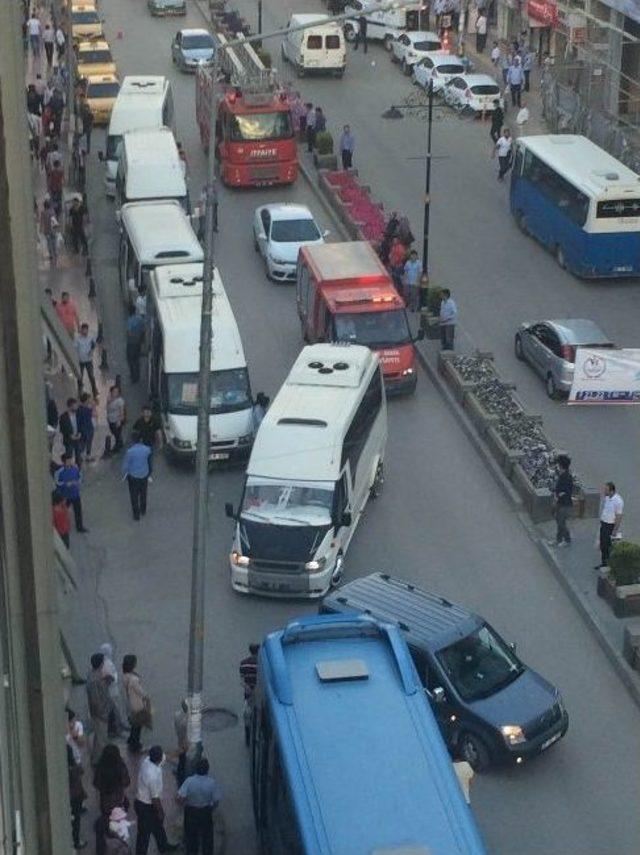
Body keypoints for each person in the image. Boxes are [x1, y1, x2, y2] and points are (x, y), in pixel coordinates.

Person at [134, 746, 179, 854]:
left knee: (158, 827)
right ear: (158, 759)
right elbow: (155, 798)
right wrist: (160, 811)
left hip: (144, 803)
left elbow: (166, 756)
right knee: (144, 833)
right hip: (146, 805)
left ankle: (163, 846)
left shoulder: (148, 760)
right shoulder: (151, 775)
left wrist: (180, 751)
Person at [176, 757, 221, 855]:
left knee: (191, 838)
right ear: (207, 769)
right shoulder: (211, 783)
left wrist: (184, 804)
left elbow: (180, 798)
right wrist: (210, 809)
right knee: (207, 838)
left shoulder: (189, 781)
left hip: (191, 813)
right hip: (205, 813)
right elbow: (216, 801)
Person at [86, 653, 112, 766]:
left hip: (101, 712)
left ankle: (98, 758)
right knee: (101, 738)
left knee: (100, 737)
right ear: (101, 663)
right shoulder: (94, 680)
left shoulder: (94, 675)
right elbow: (95, 700)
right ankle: (97, 760)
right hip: (100, 713)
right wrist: (103, 713)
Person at [93, 743, 131, 817]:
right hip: (118, 799)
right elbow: (127, 782)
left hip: (105, 800)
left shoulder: (100, 766)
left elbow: (96, 783)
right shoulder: (120, 767)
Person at [122, 654, 150, 753]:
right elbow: (141, 692)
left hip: (130, 703)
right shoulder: (133, 679)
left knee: (134, 725)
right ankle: (136, 746)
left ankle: (131, 741)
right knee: (137, 726)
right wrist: (147, 697)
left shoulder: (125, 676)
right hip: (137, 705)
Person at [100, 642, 128, 737]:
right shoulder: (106, 664)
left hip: (112, 691)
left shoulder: (106, 662)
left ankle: (119, 726)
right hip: (110, 692)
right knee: (114, 710)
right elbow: (109, 678)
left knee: (116, 710)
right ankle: (116, 729)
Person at [55, 453, 88, 532]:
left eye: (70, 460)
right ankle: (60, 526)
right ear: (64, 462)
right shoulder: (59, 472)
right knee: (63, 511)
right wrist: (66, 484)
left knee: (78, 511)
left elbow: (80, 477)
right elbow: (57, 482)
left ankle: (79, 527)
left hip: (75, 494)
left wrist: (78, 482)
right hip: (65, 496)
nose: (70, 462)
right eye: (68, 461)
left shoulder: (75, 468)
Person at [122, 432, 152, 521]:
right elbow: (149, 461)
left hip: (133, 476)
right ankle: (143, 510)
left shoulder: (130, 452)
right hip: (144, 475)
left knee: (134, 495)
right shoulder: (147, 449)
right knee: (143, 493)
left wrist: (124, 472)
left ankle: (136, 515)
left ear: (132, 440)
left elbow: (125, 466)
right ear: (141, 440)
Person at [595, 482, 624, 569]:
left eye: (606, 490)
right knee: (603, 545)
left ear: (612, 491)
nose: (604, 491)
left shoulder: (618, 501)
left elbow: (619, 516)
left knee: (608, 546)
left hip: (610, 526)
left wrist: (615, 530)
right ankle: (604, 563)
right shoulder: (607, 498)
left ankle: (610, 564)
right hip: (604, 524)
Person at [68, 744, 88, 850]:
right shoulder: (74, 769)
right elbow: (81, 770)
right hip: (76, 797)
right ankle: (76, 841)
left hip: (71, 796)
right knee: (76, 820)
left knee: (73, 819)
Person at [550, 455, 573, 547]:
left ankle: (567, 540)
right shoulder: (563, 475)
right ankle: (558, 539)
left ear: (561, 466)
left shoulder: (566, 477)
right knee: (559, 521)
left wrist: (557, 497)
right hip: (561, 503)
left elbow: (566, 491)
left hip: (565, 504)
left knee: (561, 522)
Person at [133, 405, 163, 474]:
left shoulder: (154, 421)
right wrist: (135, 442)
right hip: (141, 443)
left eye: (148, 412)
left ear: (151, 413)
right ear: (142, 413)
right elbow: (134, 431)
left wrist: (160, 442)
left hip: (151, 443)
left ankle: (149, 474)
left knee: (149, 460)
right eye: (145, 412)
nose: (147, 414)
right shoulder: (139, 421)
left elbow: (159, 432)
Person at [240, 643, 259, 746]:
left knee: (247, 713)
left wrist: (247, 687)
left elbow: (242, 679)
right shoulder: (261, 664)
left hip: (248, 694)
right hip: (259, 693)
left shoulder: (243, 663)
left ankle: (247, 736)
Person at [76, 323, 99, 397]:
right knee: (80, 376)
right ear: (81, 330)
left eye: (86, 330)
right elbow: (75, 348)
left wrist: (92, 351)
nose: (85, 332)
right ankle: (80, 390)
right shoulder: (78, 339)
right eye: (84, 330)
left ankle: (94, 390)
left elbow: (93, 344)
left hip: (88, 360)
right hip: (80, 361)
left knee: (91, 376)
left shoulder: (90, 337)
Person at [59, 397, 83, 462]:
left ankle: (78, 469)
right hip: (69, 440)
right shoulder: (63, 417)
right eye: (75, 406)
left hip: (77, 438)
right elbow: (62, 429)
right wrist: (70, 435)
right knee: (69, 455)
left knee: (78, 456)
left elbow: (81, 424)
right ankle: (69, 469)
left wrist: (80, 433)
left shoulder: (78, 414)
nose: (76, 407)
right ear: (70, 407)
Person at [126, 305, 146, 383]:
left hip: (131, 343)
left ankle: (133, 376)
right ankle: (137, 375)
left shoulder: (130, 320)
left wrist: (132, 337)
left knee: (130, 360)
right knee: (137, 359)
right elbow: (144, 330)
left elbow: (129, 333)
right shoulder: (140, 319)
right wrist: (141, 338)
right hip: (138, 342)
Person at [174, 699, 189, 788]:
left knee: (181, 758)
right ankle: (183, 775)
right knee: (185, 758)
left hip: (180, 739)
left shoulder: (177, 715)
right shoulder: (187, 720)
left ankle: (180, 772)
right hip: (186, 742)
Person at [107, 385, 126, 453]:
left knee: (117, 434)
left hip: (116, 420)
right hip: (110, 420)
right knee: (115, 433)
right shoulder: (109, 399)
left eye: (116, 392)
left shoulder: (120, 401)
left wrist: (119, 420)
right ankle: (120, 443)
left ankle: (118, 446)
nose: (115, 393)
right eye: (114, 391)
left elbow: (121, 411)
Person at [40, 198, 58, 266]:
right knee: (54, 242)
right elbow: (55, 220)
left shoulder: (43, 213)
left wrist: (40, 230)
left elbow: (42, 222)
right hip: (53, 230)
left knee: (49, 243)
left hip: (47, 231)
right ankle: (55, 253)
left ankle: (51, 254)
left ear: (44, 206)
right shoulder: (52, 211)